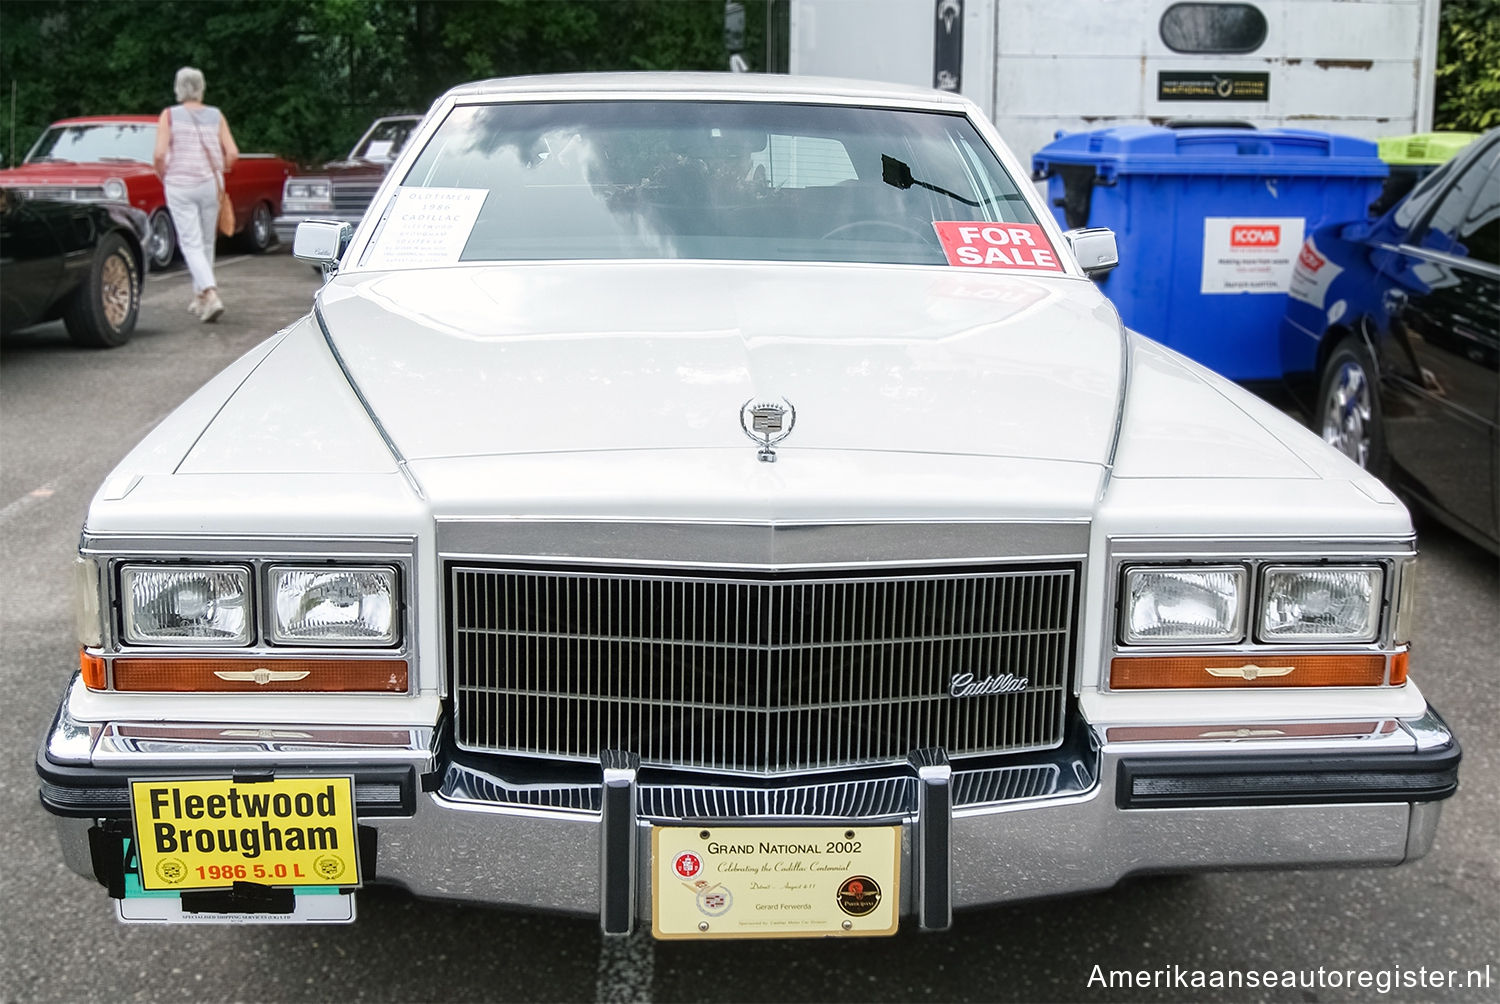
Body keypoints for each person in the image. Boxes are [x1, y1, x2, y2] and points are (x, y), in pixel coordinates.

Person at [153, 66, 239, 323]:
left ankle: (211, 294)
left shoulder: (169, 115)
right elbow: (232, 153)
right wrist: (222, 168)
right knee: (205, 243)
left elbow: (159, 155)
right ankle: (200, 297)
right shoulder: (216, 115)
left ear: (178, 88)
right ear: (202, 88)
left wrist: (162, 174)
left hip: (179, 183)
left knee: (190, 243)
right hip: (210, 183)